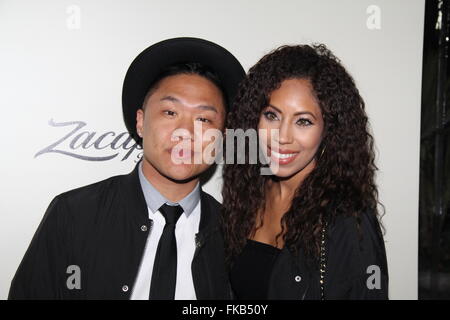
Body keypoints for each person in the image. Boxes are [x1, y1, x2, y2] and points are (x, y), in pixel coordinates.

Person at [9, 37, 245, 299]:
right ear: (141, 122)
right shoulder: (73, 215)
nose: (185, 132)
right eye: (170, 113)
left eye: (203, 119)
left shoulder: (235, 235)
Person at [222, 44, 389, 300]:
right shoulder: (247, 195)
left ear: (328, 132)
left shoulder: (346, 219)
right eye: (271, 115)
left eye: (303, 121)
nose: (282, 136)